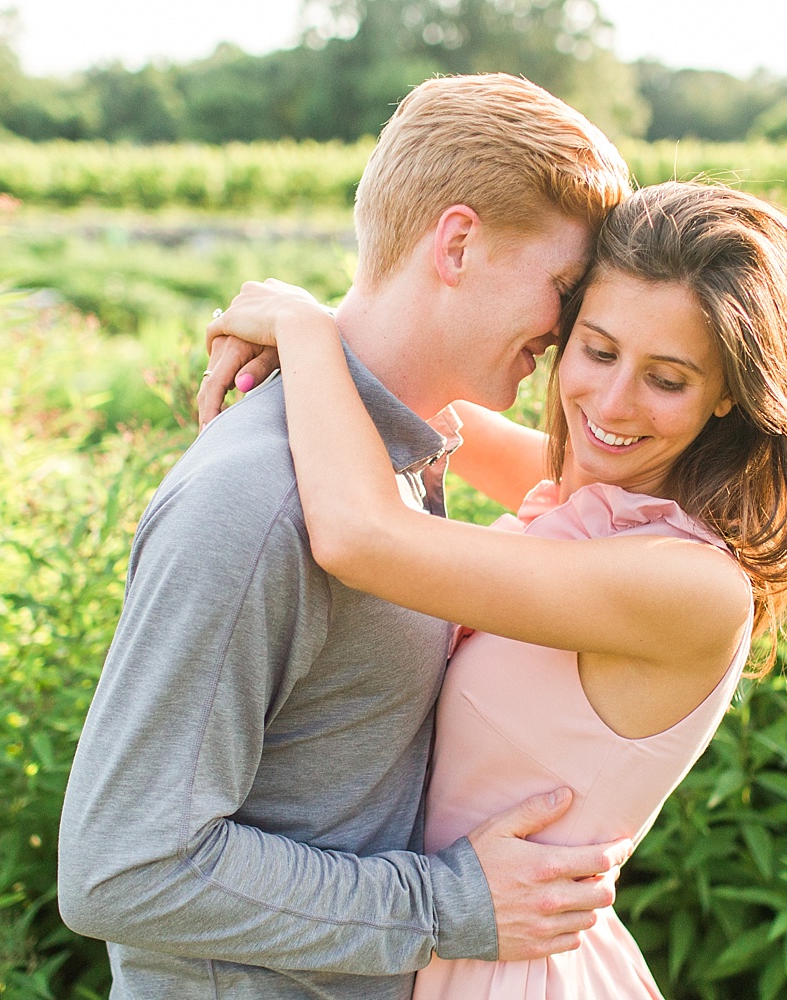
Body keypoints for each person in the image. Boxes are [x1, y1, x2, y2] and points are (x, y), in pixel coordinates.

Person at [57, 74, 635, 1000]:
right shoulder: (258, 501)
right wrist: (445, 906)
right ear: (458, 243)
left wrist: (309, 325)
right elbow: (123, 867)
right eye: (564, 290)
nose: (568, 335)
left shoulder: (401, 451)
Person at [200, 180, 787, 997]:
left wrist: (303, 328)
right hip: (441, 935)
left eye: (667, 379)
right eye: (598, 351)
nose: (611, 403)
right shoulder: (591, 496)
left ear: (729, 396)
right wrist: (318, 328)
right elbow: (418, 396)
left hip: (507, 970)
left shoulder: (689, 585)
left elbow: (361, 536)